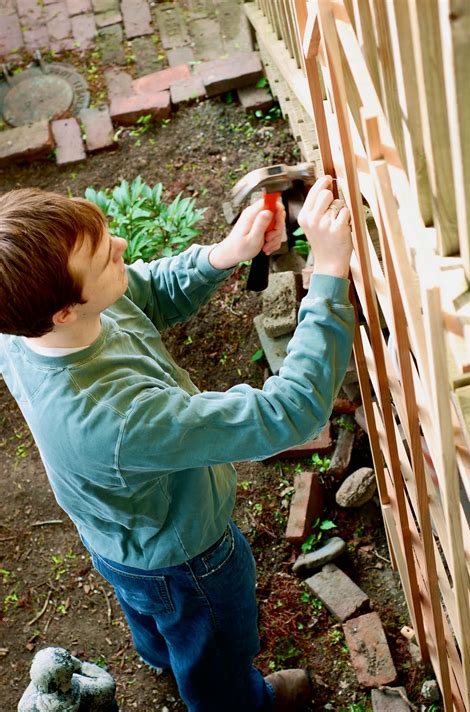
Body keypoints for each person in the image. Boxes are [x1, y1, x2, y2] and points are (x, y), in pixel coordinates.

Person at [0, 175, 354, 712]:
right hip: (188, 559)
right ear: (64, 311)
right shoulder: (117, 419)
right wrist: (328, 274)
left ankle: (164, 653)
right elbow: (288, 412)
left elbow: (139, 291)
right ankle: (235, 700)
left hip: (120, 535)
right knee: (214, 651)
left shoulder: (31, 324)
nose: (121, 247)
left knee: (157, 614)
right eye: (104, 257)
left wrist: (224, 254)